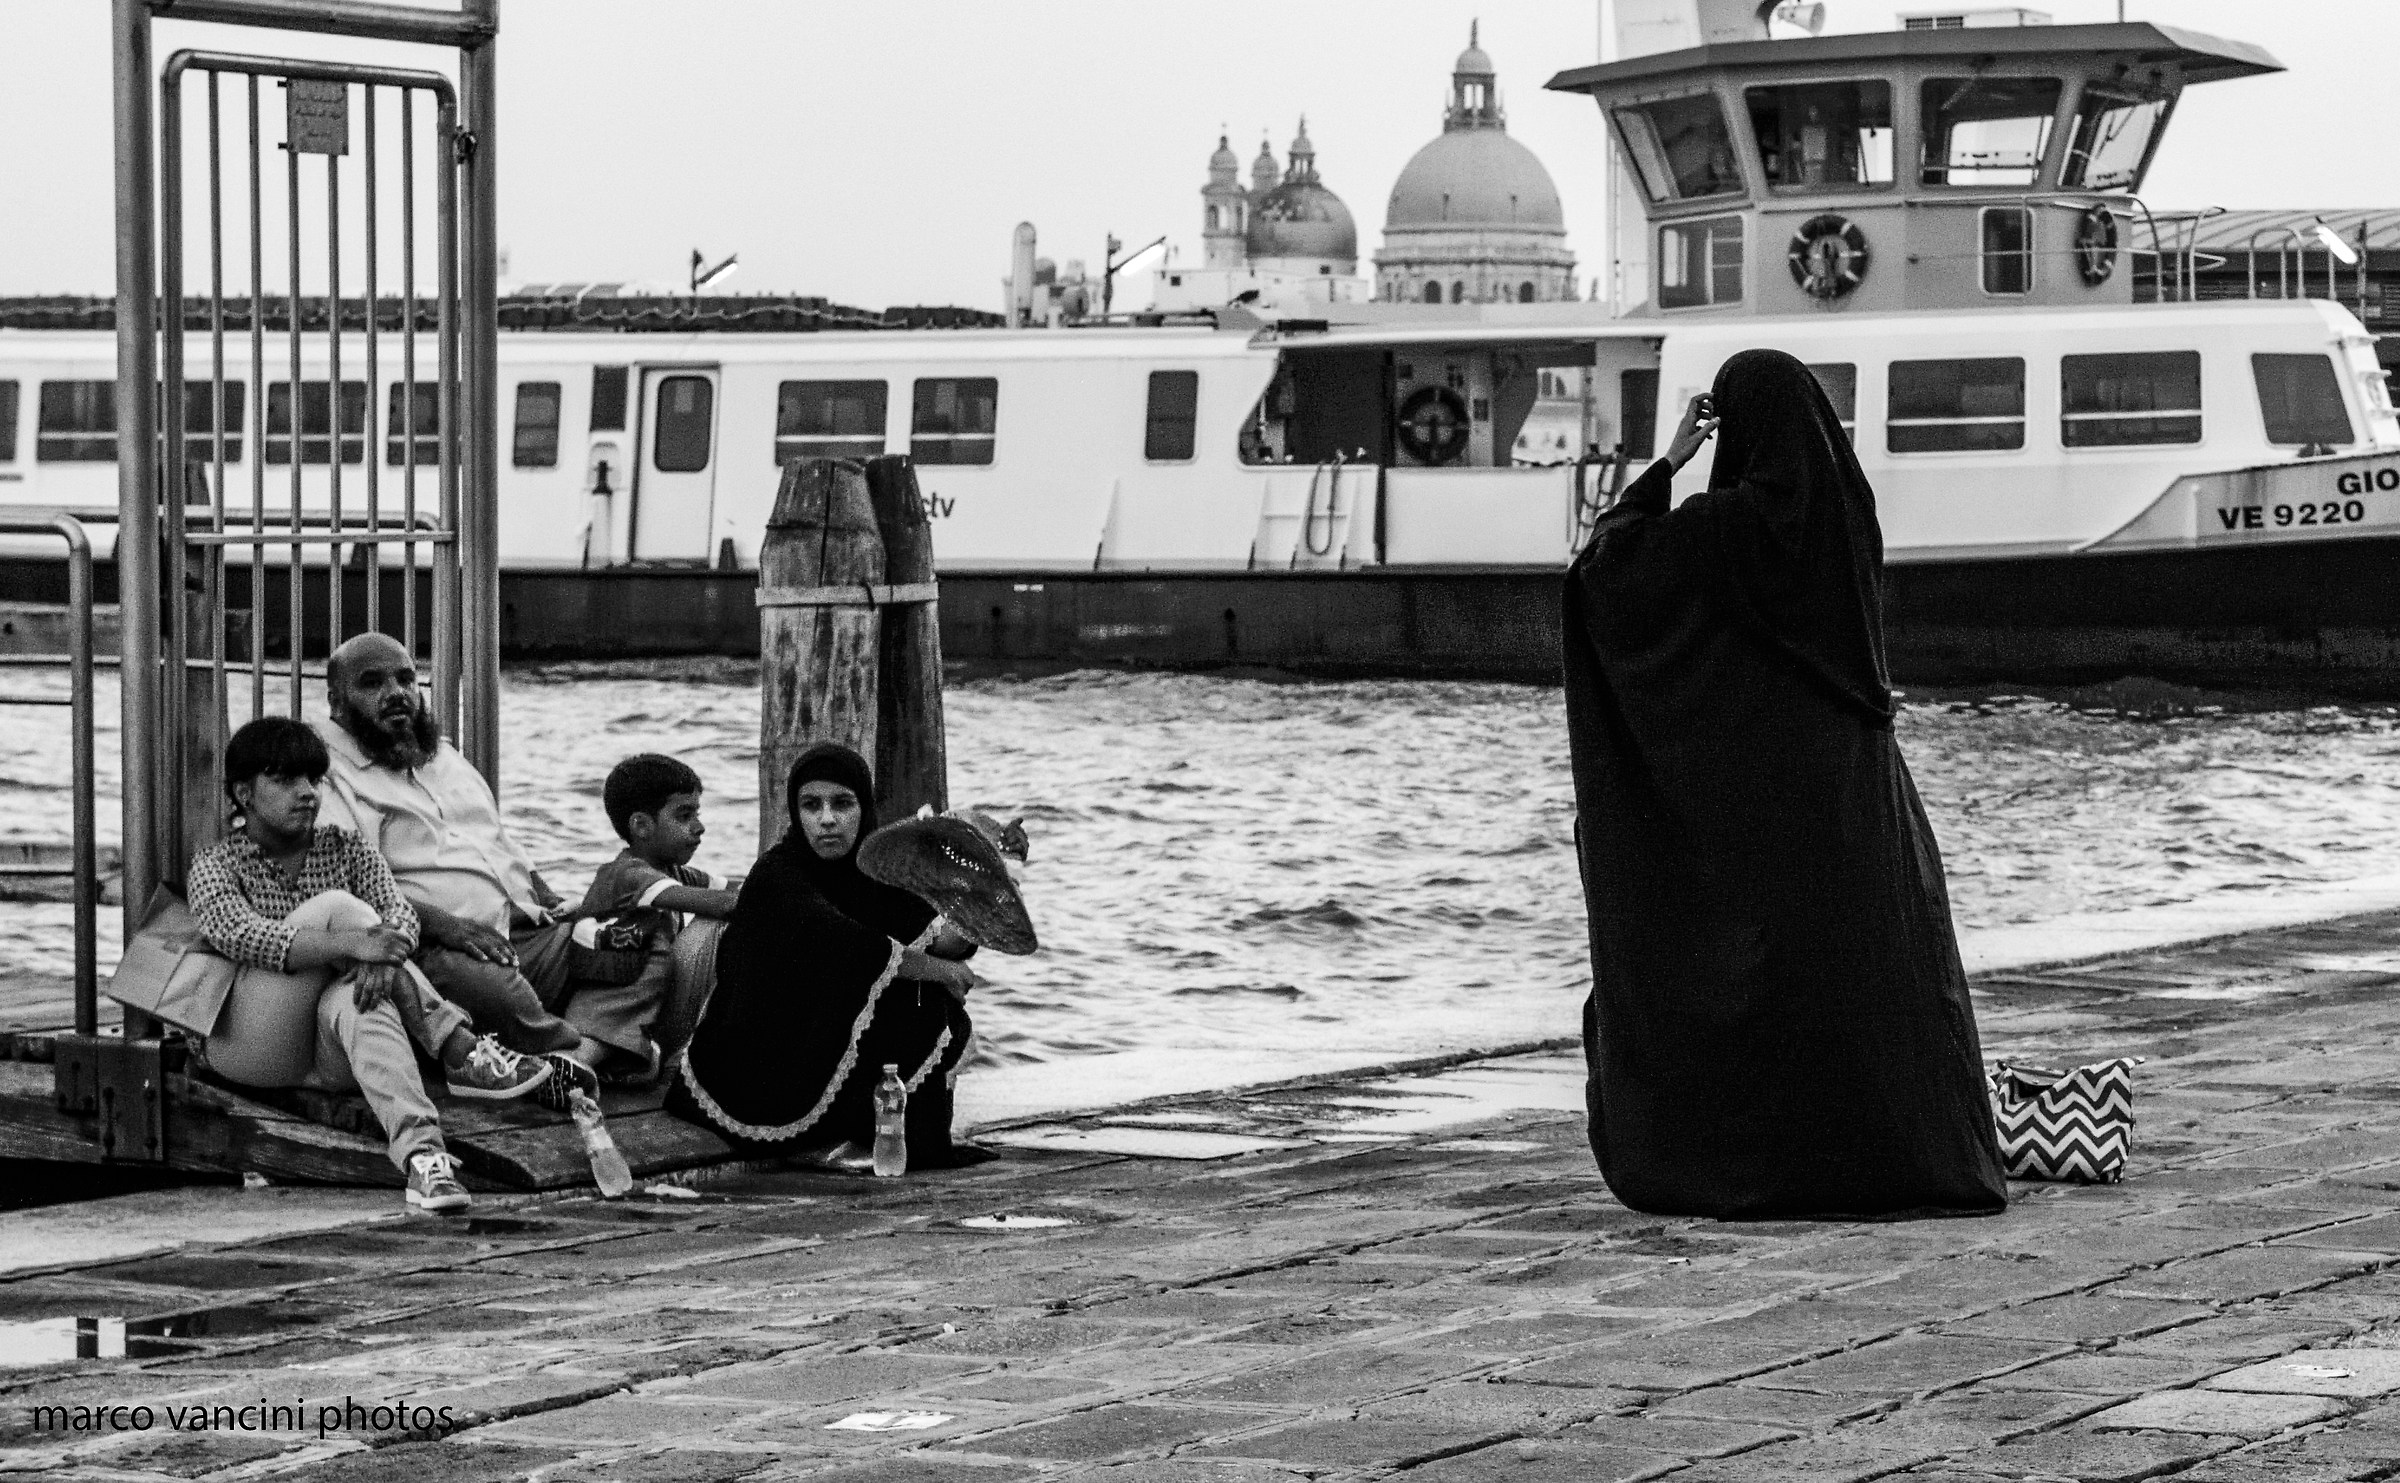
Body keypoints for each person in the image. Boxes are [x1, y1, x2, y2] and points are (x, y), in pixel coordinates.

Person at [1562, 349, 2007, 1221]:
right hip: (1860, 801)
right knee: (1865, 981)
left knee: (1762, 984)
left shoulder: (1718, 533)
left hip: (1764, 804)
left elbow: (1602, 575)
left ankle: (1767, 1163)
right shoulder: (1848, 515)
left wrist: (1667, 467)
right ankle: (1905, 1159)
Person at [188, 716, 553, 1212]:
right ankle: (457, 1048)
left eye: (314, 780)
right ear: (245, 794)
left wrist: (375, 957)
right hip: (251, 1047)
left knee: (366, 999)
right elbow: (243, 935)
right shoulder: (216, 864)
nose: (307, 793)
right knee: (341, 909)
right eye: (286, 780)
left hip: (330, 1045)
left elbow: (398, 912)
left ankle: (425, 1162)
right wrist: (352, 945)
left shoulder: (348, 847)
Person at [310, 632, 603, 1107]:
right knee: (492, 988)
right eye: (373, 682)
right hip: (436, 949)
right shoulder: (328, 773)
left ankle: (581, 1055)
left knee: (637, 935)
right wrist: (447, 926)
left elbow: (497, 841)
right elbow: (348, 888)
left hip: (519, 931)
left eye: (406, 678)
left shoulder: (441, 755)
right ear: (337, 700)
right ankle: (570, 1054)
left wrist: (551, 900)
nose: (396, 693)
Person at [666, 742, 988, 1170]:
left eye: (842, 803)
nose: (827, 819)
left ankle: (886, 1137)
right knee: (918, 986)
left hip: (829, 1033)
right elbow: (848, 947)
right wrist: (941, 970)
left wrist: (977, 883)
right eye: (811, 805)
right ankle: (824, 1138)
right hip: (765, 1054)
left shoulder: (874, 871)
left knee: (933, 1010)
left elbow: (939, 937)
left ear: (863, 807)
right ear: (796, 814)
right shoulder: (776, 875)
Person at [558, 753, 740, 1083]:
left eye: (697, 814)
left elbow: (736, 890)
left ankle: (640, 1060)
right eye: (685, 816)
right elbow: (723, 904)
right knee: (706, 925)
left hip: (645, 1012)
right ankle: (574, 1065)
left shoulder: (674, 872)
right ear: (642, 825)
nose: (699, 827)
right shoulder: (629, 875)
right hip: (605, 1007)